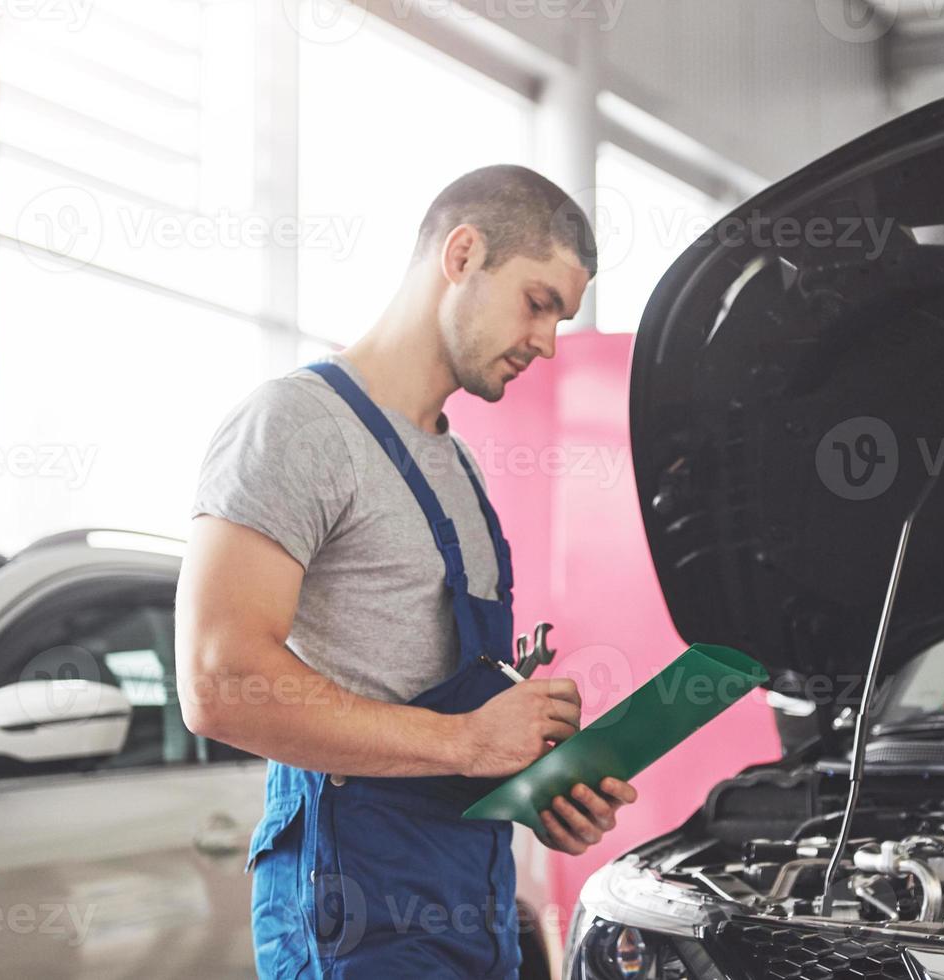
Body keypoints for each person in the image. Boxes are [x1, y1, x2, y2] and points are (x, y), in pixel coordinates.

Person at [174, 164, 637, 978]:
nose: (546, 342)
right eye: (537, 303)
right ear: (461, 255)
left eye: (562, 319)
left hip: (469, 896)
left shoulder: (459, 464)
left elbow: (426, 689)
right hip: (353, 907)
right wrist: (466, 740)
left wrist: (538, 780)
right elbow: (219, 681)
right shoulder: (294, 425)